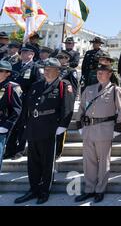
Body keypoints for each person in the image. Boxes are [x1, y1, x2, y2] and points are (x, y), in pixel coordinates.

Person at [14, 58, 75, 205]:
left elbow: (68, 108)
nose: (45, 71)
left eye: (49, 69)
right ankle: (33, 189)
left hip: (50, 128)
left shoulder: (63, 85)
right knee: (32, 162)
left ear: (57, 70)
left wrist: (63, 126)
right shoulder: (37, 85)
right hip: (34, 127)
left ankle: (44, 191)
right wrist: (24, 125)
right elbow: (27, 107)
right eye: (44, 68)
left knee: (47, 162)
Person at [75, 64, 121, 204]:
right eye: (98, 72)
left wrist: (117, 129)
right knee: (89, 162)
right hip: (88, 129)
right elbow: (81, 108)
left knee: (104, 162)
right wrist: (79, 125)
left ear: (109, 74)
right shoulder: (89, 89)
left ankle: (100, 190)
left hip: (105, 129)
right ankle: (89, 189)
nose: (99, 75)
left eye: (102, 73)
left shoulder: (115, 90)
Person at [5, 44, 43, 160]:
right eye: (22, 52)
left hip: (26, 101)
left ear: (32, 54)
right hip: (12, 100)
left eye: (26, 52)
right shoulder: (14, 66)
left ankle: (19, 150)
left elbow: (39, 84)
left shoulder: (35, 67)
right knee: (11, 124)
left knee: (22, 126)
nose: (23, 54)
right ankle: (9, 150)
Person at [54, 50, 79, 159]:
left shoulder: (71, 70)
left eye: (63, 57)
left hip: (64, 101)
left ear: (68, 59)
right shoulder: (54, 69)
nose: (61, 59)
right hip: (52, 101)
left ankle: (58, 152)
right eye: (59, 57)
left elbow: (73, 87)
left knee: (61, 129)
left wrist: (71, 100)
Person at [0, 61, 22, 171]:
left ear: (8, 73)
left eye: (0, 71)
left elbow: (17, 110)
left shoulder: (12, 87)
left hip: (1, 125)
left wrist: (6, 126)